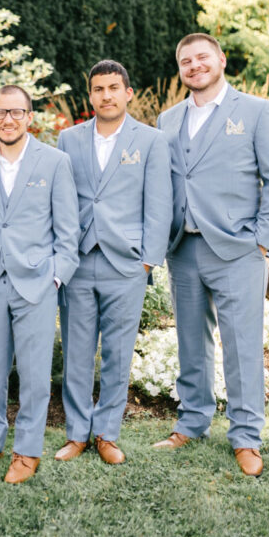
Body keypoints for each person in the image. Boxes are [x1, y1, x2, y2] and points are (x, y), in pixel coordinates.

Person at [154, 33, 269, 477]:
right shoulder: (168, 119)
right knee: (191, 343)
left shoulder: (255, 111)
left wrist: (262, 238)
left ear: (220, 60)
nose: (194, 66)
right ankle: (193, 423)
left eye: (201, 58)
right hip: (184, 249)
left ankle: (246, 436)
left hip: (237, 249)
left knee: (242, 346)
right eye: (185, 61)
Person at [54, 60, 172, 465]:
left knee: (119, 353)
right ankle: (76, 434)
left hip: (127, 264)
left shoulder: (152, 141)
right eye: (98, 88)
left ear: (128, 93)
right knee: (77, 352)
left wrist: (147, 263)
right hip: (79, 261)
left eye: (113, 87)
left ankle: (107, 433)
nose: (106, 95)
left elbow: (159, 205)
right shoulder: (68, 139)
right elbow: (61, 201)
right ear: (91, 95)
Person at [0, 84, 79, 484]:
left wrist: (55, 275)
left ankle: (27, 450)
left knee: (33, 374)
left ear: (30, 117)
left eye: (16, 112)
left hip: (36, 282)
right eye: (0, 112)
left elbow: (69, 229)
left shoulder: (54, 162)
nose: (8, 119)